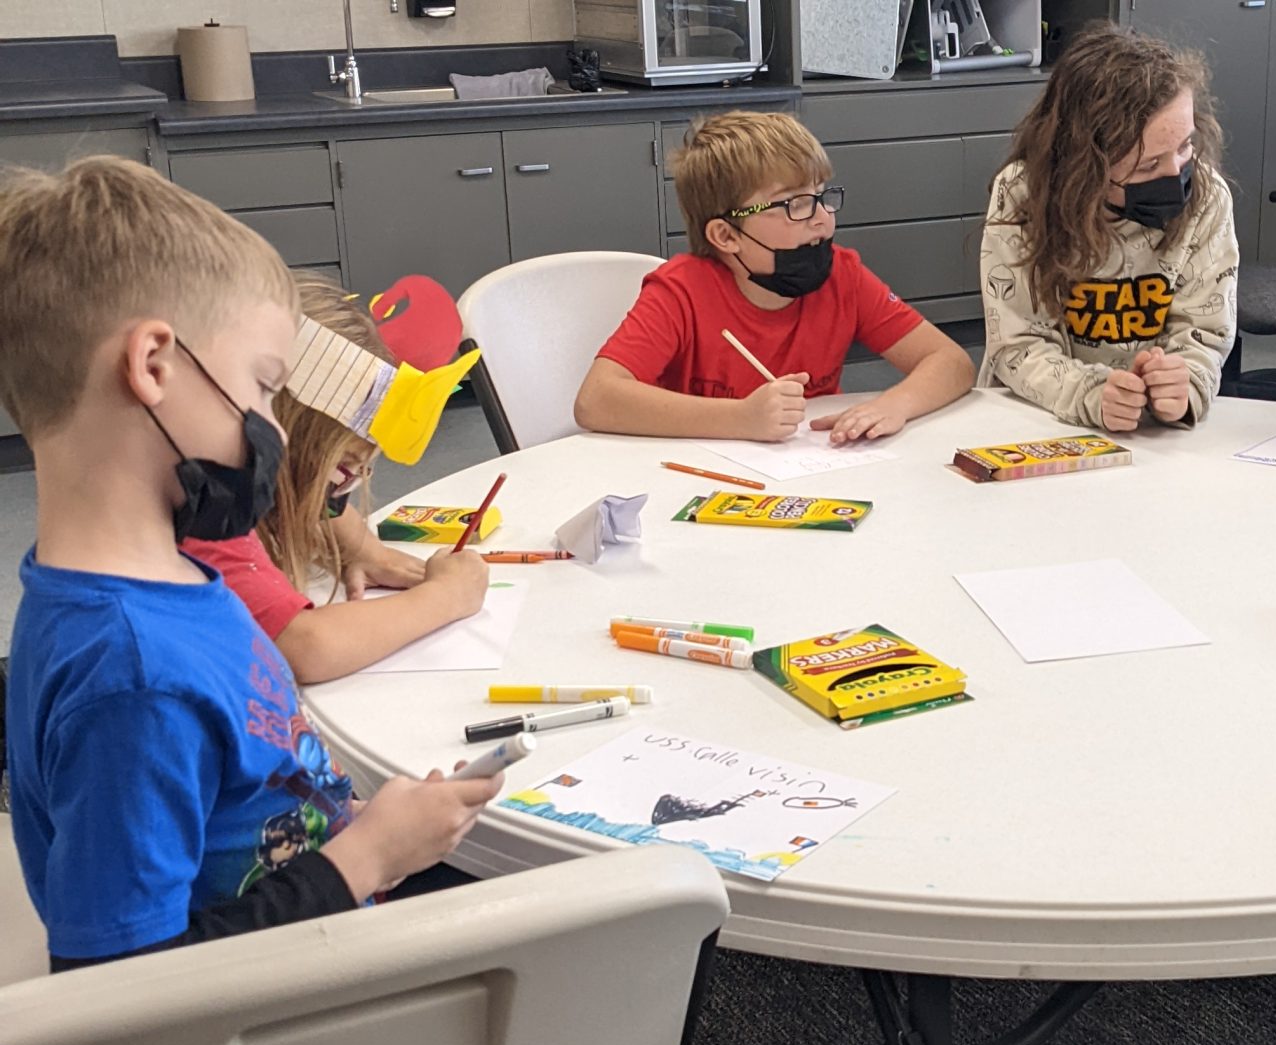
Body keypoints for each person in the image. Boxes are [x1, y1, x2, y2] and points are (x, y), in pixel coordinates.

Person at [0, 157, 501, 970]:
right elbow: (121, 987)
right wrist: (367, 857)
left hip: (317, 908)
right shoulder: (133, 679)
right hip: (298, 993)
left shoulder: (160, 583)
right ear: (153, 365)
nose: (278, 426)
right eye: (266, 389)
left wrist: (366, 825)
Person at [573, 111, 974, 444]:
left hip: (815, 468)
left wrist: (893, 405)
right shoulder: (681, 291)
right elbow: (596, 400)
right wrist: (741, 418)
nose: (822, 217)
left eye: (821, 195)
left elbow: (951, 361)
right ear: (726, 235)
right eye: (794, 204)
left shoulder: (843, 275)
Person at [181, 273, 491, 684]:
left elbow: (314, 491)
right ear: (282, 436)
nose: (349, 486)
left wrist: (363, 550)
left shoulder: (223, 459)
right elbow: (307, 648)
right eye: (346, 467)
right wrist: (445, 597)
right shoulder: (209, 515)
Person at [977, 23, 1237, 433]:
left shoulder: (1206, 196)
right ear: (1086, 164)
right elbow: (1018, 344)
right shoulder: (1023, 194)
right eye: (1149, 164)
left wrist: (1184, 384)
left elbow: (1204, 331)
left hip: (1150, 430)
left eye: (1184, 145)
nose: (1176, 173)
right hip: (1040, 416)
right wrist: (1090, 394)